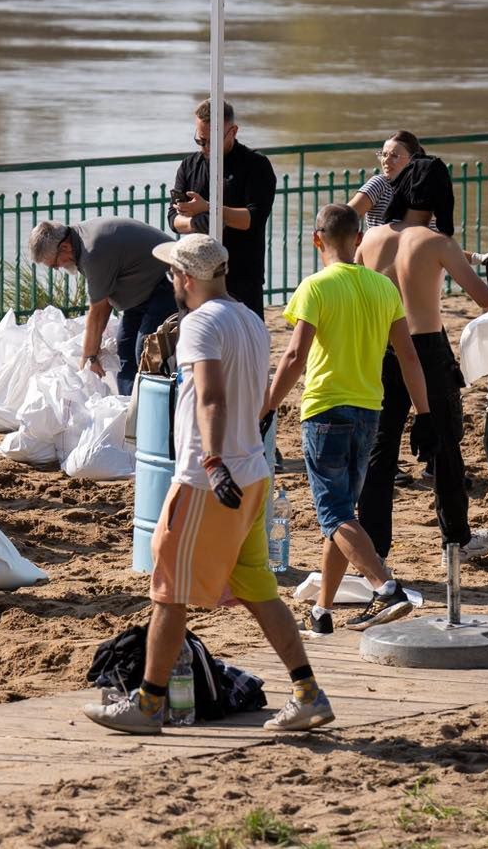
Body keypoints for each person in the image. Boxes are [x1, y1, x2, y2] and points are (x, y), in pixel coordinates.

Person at [83, 234, 334, 735]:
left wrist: (215, 459)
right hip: (254, 475)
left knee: (169, 592)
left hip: (207, 478)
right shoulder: (248, 318)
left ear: (188, 278)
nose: (170, 279)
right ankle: (308, 693)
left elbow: (213, 396)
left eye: (174, 272)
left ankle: (149, 705)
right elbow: (257, 393)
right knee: (260, 590)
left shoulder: (199, 323)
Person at [261, 203, 433, 634]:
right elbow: (408, 355)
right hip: (368, 411)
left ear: (316, 240)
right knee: (341, 514)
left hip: (324, 411)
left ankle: (384, 586)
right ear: (359, 241)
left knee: (335, 512)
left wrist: (265, 406)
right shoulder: (384, 289)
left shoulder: (315, 287)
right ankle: (321, 612)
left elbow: (296, 355)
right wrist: (424, 412)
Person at [356, 158, 488, 565]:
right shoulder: (436, 242)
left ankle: (373, 547)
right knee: (444, 446)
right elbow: (486, 299)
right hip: (425, 349)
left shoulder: (370, 239)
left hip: (380, 349)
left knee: (380, 451)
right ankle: (455, 540)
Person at [28, 217, 175, 397]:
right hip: (142, 289)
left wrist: (89, 357)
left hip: (168, 282)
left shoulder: (92, 252)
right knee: (125, 350)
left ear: (64, 247)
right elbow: (103, 303)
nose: (58, 269)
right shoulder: (79, 240)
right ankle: (128, 408)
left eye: (55, 264)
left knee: (146, 351)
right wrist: (92, 352)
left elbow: (99, 310)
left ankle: (155, 411)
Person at [169, 99, 277, 318]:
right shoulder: (189, 166)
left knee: (245, 346)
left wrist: (208, 209)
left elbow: (252, 219)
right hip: (196, 276)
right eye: (201, 141)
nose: (206, 148)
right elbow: (173, 220)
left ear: (233, 131)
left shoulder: (256, 165)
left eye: (213, 141)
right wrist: (199, 221)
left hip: (241, 275)